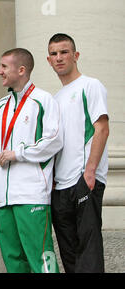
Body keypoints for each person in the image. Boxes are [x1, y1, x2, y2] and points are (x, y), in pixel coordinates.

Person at [0, 48, 63, 273]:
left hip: (31, 194)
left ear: (21, 70)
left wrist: (18, 153)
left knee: (41, 257)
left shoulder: (42, 100)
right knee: (13, 259)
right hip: (4, 197)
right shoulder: (1, 105)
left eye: (4, 67)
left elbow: (54, 140)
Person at [47, 33, 109, 273]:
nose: (59, 58)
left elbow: (101, 128)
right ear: (49, 60)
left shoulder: (90, 85)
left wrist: (90, 173)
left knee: (89, 252)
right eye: (54, 54)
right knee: (69, 253)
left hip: (84, 180)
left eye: (64, 52)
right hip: (60, 188)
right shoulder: (54, 99)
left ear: (76, 55)